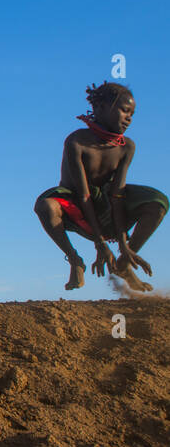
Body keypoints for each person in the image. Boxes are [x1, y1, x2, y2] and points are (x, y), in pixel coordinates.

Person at [33, 81, 166, 293]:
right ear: (101, 108)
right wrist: (99, 243)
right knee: (45, 205)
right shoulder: (77, 141)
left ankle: (123, 264)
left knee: (158, 202)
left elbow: (117, 196)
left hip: (108, 208)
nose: (129, 117)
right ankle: (76, 260)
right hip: (75, 205)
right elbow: (84, 194)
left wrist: (123, 245)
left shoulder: (126, 147)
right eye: (124, 111)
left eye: (132, 113)